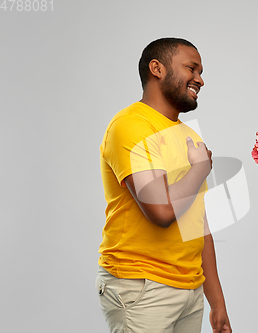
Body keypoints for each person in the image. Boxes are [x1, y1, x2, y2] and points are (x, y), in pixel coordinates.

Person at [96, 38, 231, 333]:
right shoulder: (131, 126)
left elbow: (198, 224)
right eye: (191, 68)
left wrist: (217, 302)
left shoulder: (187, 136)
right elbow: (161, 212)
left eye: (201, 71)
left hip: (190, 289)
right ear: (156, 68)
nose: (200, 79)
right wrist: (200, 168)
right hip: (142, 287)